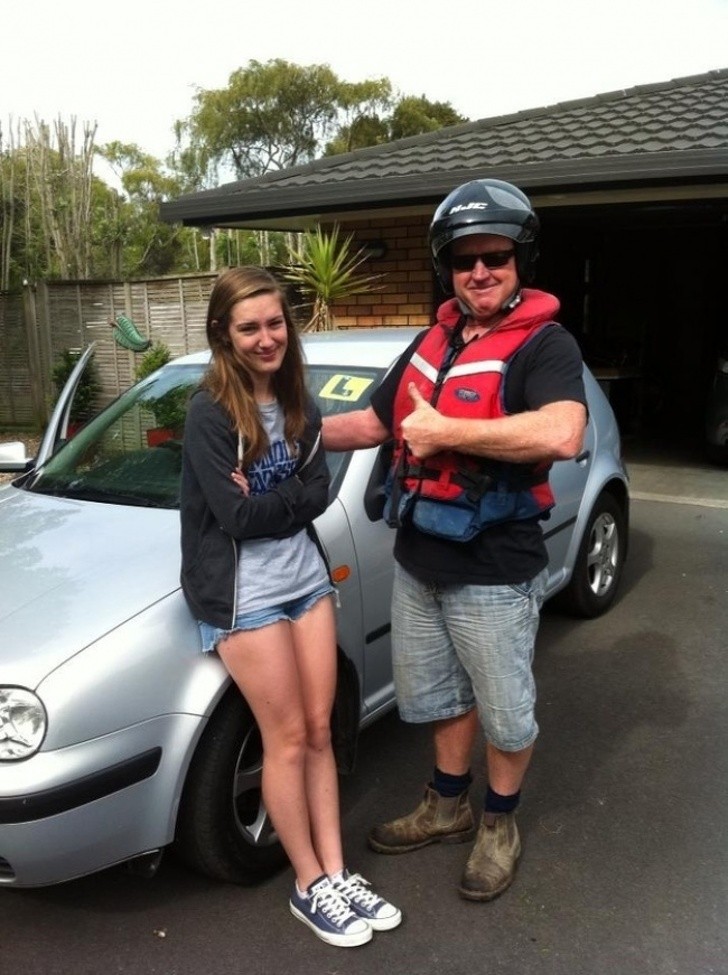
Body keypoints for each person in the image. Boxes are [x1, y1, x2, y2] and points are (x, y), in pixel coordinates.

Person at [321, 179, 587, 902]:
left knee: (506, 708)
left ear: (518, 259)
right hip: (420, 560)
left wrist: (448, 432)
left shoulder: (545, 343)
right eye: (465, 260)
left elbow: (564, 430)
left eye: (495, 256)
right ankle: (447, 803)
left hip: (495, 568)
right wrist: (290, 432)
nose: (480, 271)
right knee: (438, 697)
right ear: (448, 267)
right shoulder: (432, 339)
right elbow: (375, 423)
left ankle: (498, 821)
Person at [180, 266, 401, 946]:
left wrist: (270, 500)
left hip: (306, 579)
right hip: (243, 597)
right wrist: (277, 501)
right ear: (225, 332)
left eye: (275, 322)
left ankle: (336, 871)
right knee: (283, 739)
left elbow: (317, 496)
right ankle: (307, 883)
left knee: (318, 730)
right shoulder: (210, 414)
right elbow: (237, 519)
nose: (266, 336)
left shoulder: (298, 401)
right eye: (249, 326)